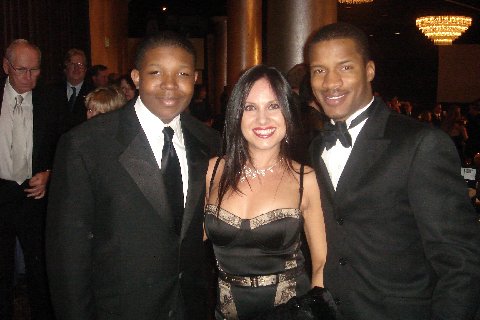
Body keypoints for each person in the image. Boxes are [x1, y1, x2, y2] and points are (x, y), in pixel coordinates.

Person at [308, 22, 480, 319]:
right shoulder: (316, 148)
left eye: (345, 67)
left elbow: (461, 262)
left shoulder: (420, 144)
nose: (330, 82)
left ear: (369, 71)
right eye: (319, 70)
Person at [46, 31, 220, 319]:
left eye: (183, 73)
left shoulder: (211, 142)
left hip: (191, 305)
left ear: (195, 78)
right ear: (136, 77)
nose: (170, 85)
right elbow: (67, 255)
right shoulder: (87, 144)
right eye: (156, 72)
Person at [204, 65, 329, 320]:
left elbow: (321, 263)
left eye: (273, 106)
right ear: (237, 114)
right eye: (250, 107)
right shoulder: (212, 170)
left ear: (288, 113)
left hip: (291, 312)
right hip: (225, 313)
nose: (262, 119)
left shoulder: (306, 180)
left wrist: (314, 311)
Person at [0, 39, 56, 319]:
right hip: (0, 191)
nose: (29, 77)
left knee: (39, 266)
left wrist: (49, 173)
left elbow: (66, 146)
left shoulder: (50, 100)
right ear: (6, 66)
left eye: (35, 70)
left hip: (34, 193)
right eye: (22, 70)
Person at [46, 48, 94, 134]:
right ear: (66, 68)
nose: (76, 68)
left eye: (80, 64)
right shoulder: (52, 92)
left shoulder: (94, 93)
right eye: (72, 64)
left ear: (85, 69)